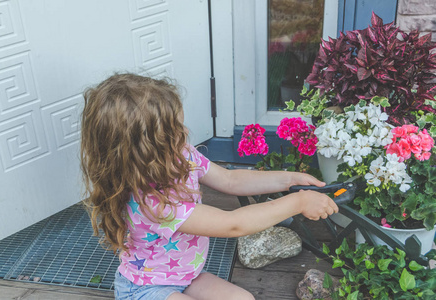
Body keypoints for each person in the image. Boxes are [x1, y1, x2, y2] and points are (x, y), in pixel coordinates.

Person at [80, 73, 338, 300]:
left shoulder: (180, 155)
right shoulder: (153, 203)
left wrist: (288, 179)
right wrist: (298, 202)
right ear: (144, 150)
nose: (184, 133)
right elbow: (233, 224)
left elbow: (229, 179)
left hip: (185, 276)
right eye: (173, 132)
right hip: (146, 290)